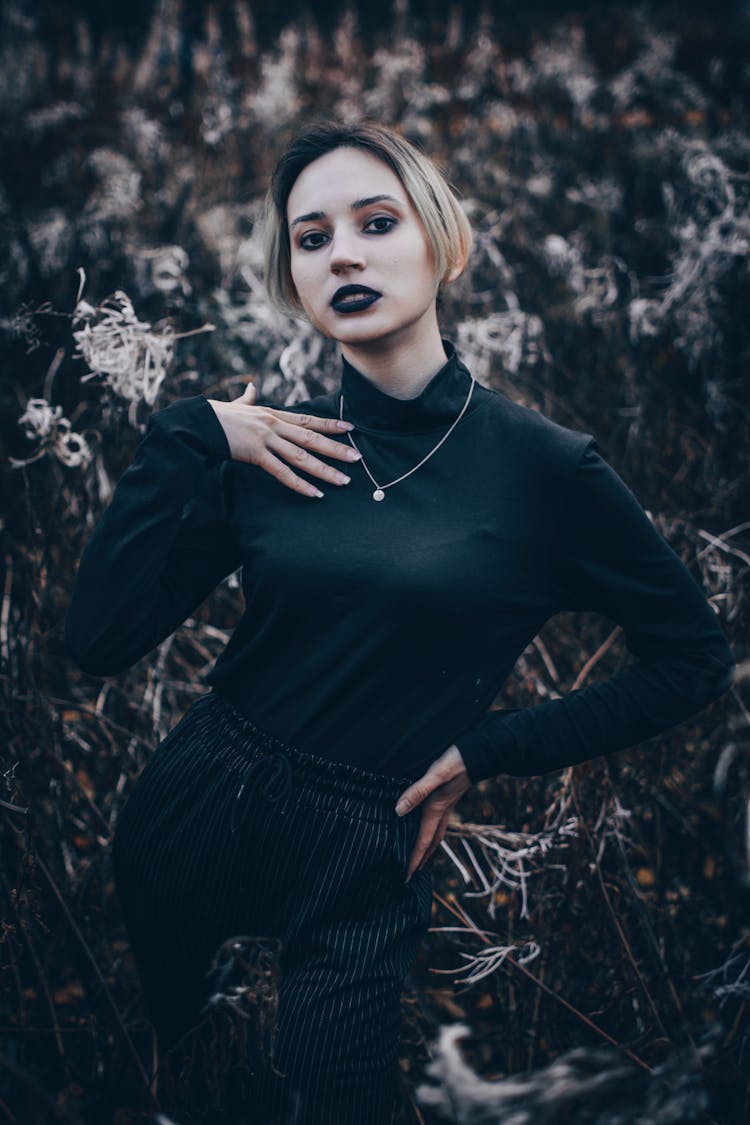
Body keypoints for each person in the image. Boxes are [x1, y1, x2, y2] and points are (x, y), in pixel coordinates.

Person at [64, 120, 736, 1124]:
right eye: (311, 236)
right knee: (197, 1094)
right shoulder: (274, 449)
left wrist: (486, 750)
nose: (344, 253)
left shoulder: (547, 471)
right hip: (198, 813)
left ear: (441, 243)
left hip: (366, 853)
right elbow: (97, 641)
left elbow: (690, 658)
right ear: (294, 277)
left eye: (376, 223)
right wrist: (191, 434)